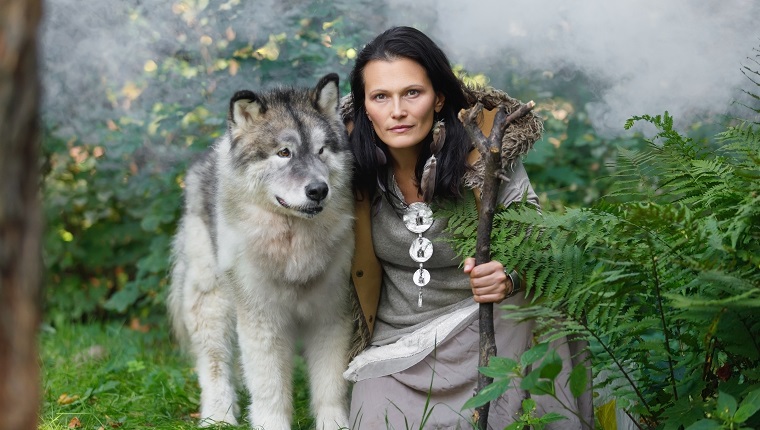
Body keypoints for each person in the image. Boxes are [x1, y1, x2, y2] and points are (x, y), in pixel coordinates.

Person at [342, 26, 593, 429]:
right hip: (399, 343)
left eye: (412, 93)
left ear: (439, 97)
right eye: (380, 97)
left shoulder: (487, 152)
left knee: (532, 310)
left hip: (489, 323)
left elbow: (538, 246)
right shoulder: (343, 168)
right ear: (364, 107)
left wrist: (507, 278)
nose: (397, 111)